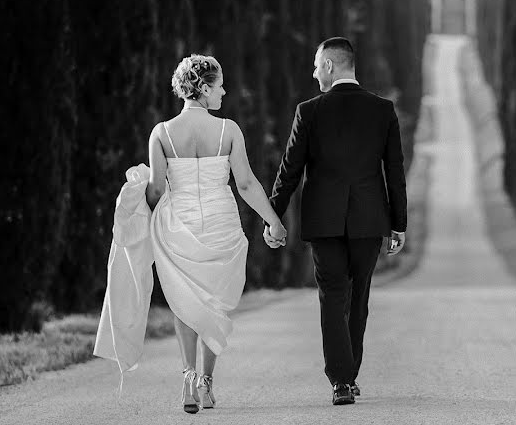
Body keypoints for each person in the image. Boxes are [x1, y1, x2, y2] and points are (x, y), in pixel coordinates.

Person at [267, 36, 408, 406]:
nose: (314, 74)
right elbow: (395, 171)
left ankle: (341, 381)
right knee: (358, 296)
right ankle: (349, 374)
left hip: (324, 220)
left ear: (330, 65)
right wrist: (399, 223)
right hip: (369, 219)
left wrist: (273, 215)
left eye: (317, 66)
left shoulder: (308, 111)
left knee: (332, 296)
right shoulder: (383, 110)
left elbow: (289, 171)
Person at [146, 54, 287, 414]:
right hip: (221, 223)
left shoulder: (161, 133)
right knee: (213, 301)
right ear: (204, 88)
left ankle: (188, 377)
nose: (224, 92)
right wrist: (273, 220)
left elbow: (157, 190)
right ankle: (206, 384)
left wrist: (136, 198)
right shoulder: (228, 130)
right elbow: (245, 183)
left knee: (184, 301)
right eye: (220, 85)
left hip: (179, 224)